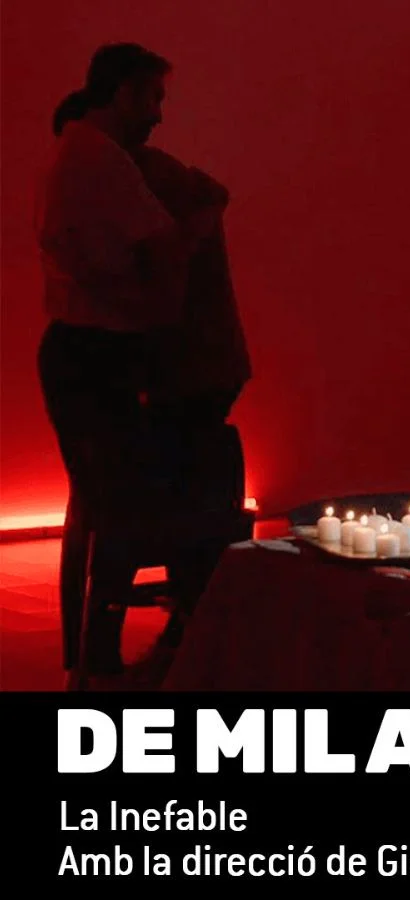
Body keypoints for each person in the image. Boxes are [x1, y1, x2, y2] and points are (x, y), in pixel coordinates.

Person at [36, 43, 226, 680]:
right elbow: (168, 251)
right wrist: (204, 215)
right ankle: (186, 633)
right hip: (101, 354)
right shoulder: (101, 159)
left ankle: (112, 645)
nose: (158, 114)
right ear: (121, 91)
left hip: (81, 350)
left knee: (115, 497)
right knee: (177, 487)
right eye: (152, 97)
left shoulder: (74, 152)